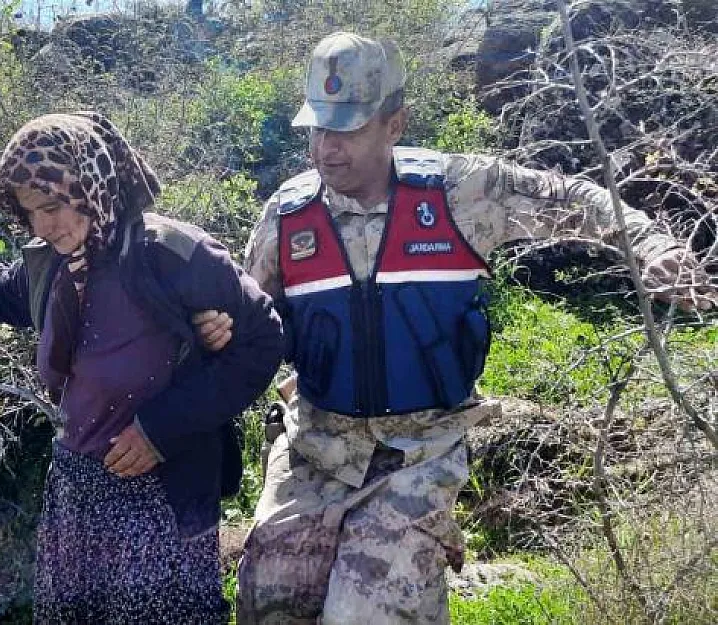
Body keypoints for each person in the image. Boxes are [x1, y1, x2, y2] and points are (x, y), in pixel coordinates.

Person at [232, 32, 716, 624]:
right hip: (316, 446)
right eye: (317, 129)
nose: (326, 149)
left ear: (394, 123)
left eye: (348, 130)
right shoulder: (288, 216)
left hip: (419, 448)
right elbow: (246, 313)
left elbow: (572, 197)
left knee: (365, 614)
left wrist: (649, 245)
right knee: (269, 601)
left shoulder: (459, 193)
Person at [0, 111, 283, 624]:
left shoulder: (172, 255)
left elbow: (263, 341)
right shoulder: (56, 261)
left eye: (54, 205)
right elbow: (6, 292)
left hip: (162, 491)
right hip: (79, 486)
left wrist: (160, 429)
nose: (43, 225)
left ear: (92, 185)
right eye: (30, 210)